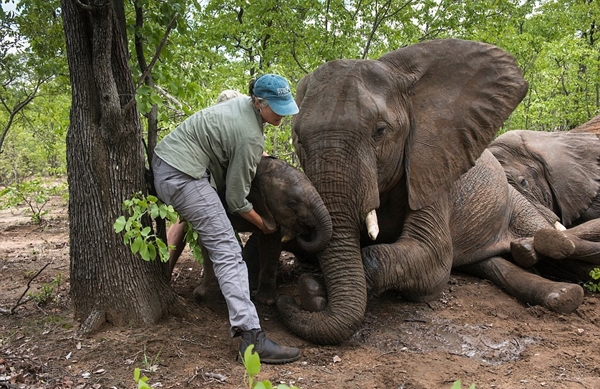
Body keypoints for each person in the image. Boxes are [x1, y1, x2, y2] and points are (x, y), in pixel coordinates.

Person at [152, 75, 301, 364]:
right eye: (278, 106)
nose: (283, 112)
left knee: (223, 243)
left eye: (286, 105)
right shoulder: (249, 133)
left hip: (175, 166)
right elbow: (236, 201)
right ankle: (251, 338)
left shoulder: (243, 111)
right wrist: (264, 225)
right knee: (228, 251)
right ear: (259, 103)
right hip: (182, 176)